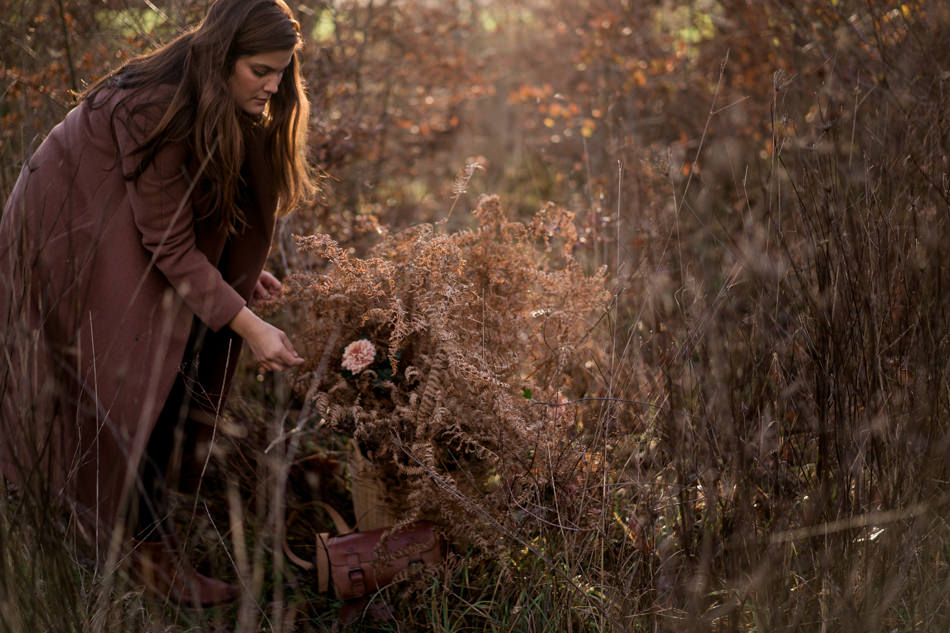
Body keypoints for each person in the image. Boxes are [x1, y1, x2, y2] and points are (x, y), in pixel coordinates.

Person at [0, 0, 312, 606]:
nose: (274, 86)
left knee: (172, 353)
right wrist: (250, 327)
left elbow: (187, 204)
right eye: (260, 71)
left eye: (282, 72)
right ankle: (143, 550)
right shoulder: (156, 104)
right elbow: (166, 240)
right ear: (223, 56)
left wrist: (239, 277)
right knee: (134, 374)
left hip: (117, 228)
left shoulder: (216, 94)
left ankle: (132, 525)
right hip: (64, 234)